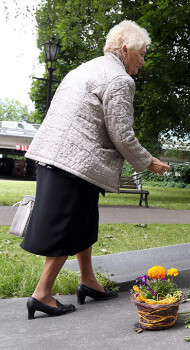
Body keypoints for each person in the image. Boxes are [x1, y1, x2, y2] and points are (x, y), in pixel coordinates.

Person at [21, 20, 171, 320]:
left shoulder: (87, 68)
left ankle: (88, 281)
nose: (143, 60)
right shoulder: (120, 79)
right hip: (75, 162)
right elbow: (122, 134)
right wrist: (148, 161)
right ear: (125, 49)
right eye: (141, 54)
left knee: (85, 222)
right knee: (68, 224)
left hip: (55, 154)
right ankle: (41, 294)